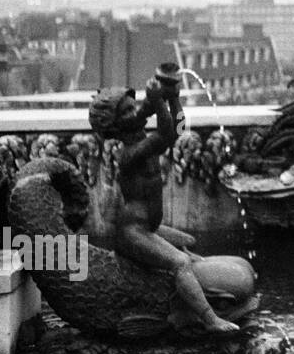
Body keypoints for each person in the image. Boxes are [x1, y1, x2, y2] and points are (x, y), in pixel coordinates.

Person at [89, 67, 240, 334]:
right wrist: (160, 101)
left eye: (132, 107)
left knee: (189, 244)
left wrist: (173, 96)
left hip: (149, 227)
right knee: (180, 262)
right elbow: (167, 135)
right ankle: (210, 319)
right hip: (132, 232)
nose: (133, 113)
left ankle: (186, 303)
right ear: (114, 126)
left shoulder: (139, 132)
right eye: (125, 112)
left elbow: (179, 129)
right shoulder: (130, 154)